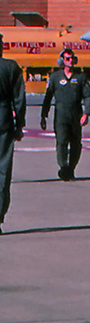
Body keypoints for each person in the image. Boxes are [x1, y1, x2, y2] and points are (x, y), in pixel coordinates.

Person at [41, 50, 90, 181]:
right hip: (61, 117)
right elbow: (48, 97)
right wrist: (44, 115)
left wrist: (87, 113)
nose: (70, 61)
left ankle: (71, 168)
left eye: (72, 58)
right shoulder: (55, 77)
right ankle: (64, 167)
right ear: (62, 61)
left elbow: (88, 95)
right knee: (62, 142)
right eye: (67, 58)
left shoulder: (80, 77)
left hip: (76, 116)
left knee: (76, 144)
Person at [0, 50, 21, 229]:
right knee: (3, 171)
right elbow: (19, 99)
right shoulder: (10, 67)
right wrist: (19, 125)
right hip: (4, 123)